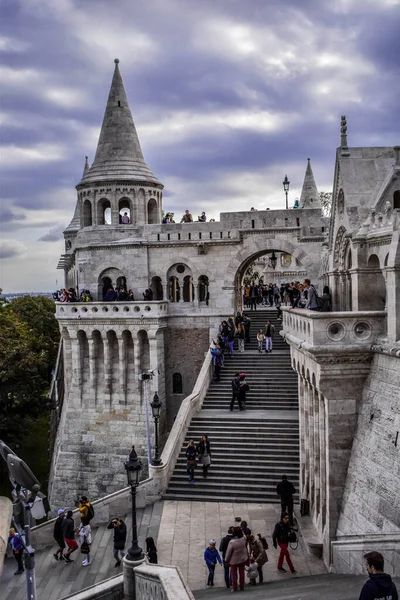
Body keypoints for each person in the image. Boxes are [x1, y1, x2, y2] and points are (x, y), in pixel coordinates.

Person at [225, 526, 249, 592]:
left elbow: (228, 552)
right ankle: (242, 586)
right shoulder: (243, 539)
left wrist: (226, 560)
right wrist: (241, 529)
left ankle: (235, 587)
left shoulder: (232, 542)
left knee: (234, 574)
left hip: (234, 560)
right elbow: (244, 535)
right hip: (242, 559)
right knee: (242, 573)